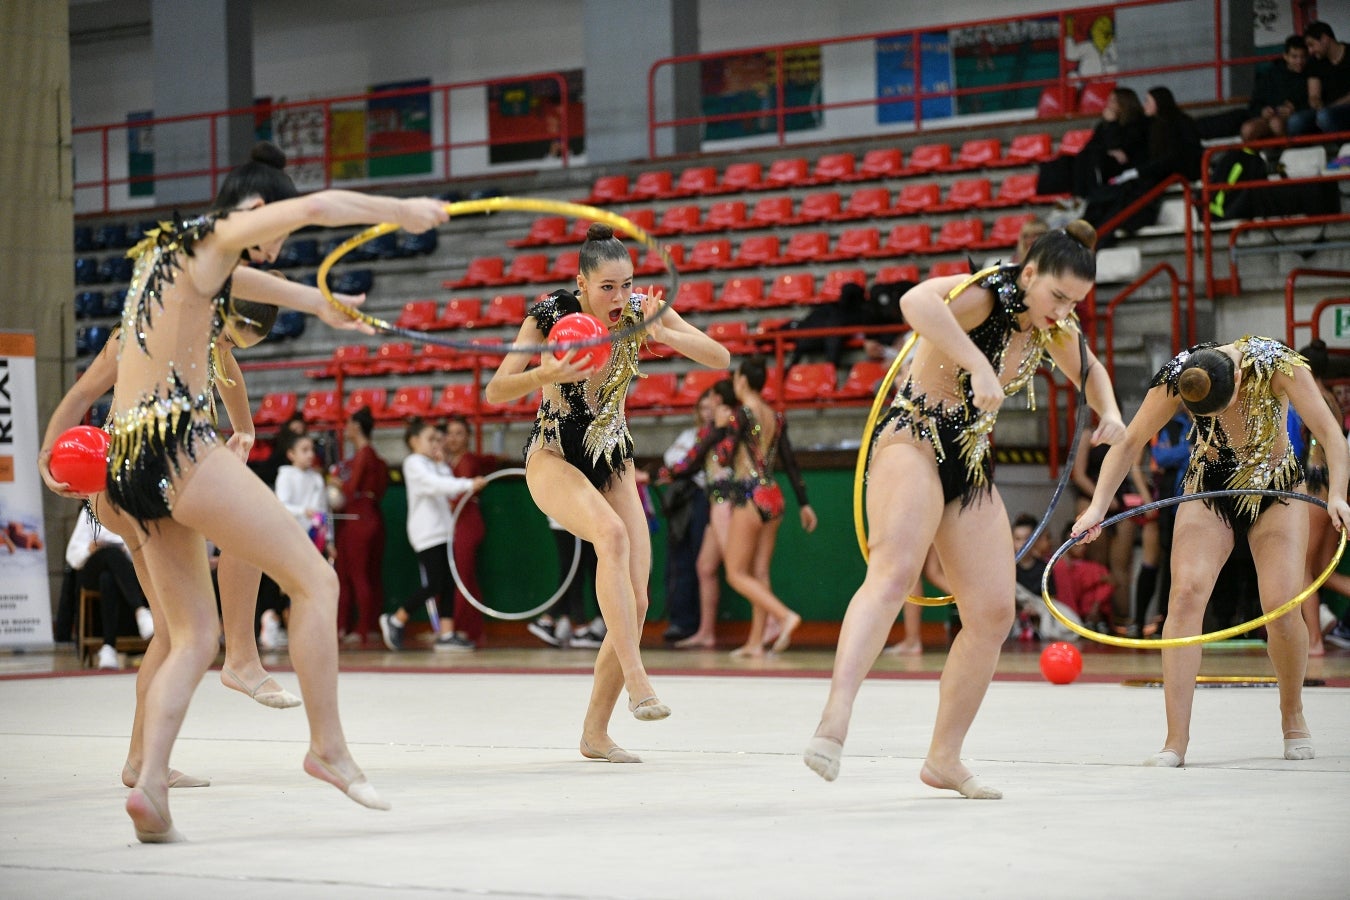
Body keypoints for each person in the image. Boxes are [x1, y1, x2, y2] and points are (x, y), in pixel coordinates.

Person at [46, 139, 449, 841]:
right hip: (176, 444)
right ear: (257, 210)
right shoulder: (222, 231)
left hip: (127, 457)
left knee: (192, 635)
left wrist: (320, 305)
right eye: (280, 228)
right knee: (317, 583)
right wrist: (405, 210)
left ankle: (149, 786)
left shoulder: (170, 255)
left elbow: (249, 287)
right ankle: (327, 750)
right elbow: (322, 204)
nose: (281, 241)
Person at [803, 221, 1126, 797]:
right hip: (915, 435)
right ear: (1029, 273)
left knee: (994, 613)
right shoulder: (991, 290)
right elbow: (915, 301)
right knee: (895, 570)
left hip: (969, 463)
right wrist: (976, 363)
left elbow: (1093, 371)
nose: (1063, 311)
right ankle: (836, 714)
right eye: (1056, 296)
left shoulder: (1054, 327)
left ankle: (944, 758)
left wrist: (1110, 414)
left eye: (1075, 302)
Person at [485, 223, 729, 763]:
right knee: (611, 537)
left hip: (612, 457)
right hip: (553, 454)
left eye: (627, 285)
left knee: (637, 602)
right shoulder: (549, 314)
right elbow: (496, 388)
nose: (620, 299)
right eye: (607, 288)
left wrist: (666, 334)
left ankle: (595, 734)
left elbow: (720, 359)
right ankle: (640, 681)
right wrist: (543, 372)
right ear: (581, 283)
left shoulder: (641, 310)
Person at [1072, 337, 1350, 766]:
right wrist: (1095, 508)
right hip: (1208, 487)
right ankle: (1175, 741)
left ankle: (1292, 713)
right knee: (1184, 595)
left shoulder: (1274, 364)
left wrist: (1338, 495)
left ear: (1238, 379)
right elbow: (1129, 443)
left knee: (1280, 605)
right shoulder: (1177, 376)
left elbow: (1331, 431)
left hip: (1275, 487)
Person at [713, 357, 817, 657]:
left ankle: (784, 616)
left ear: (742, 381)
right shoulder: (775, 415)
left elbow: (723, 457)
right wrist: (805, 503)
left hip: (750, 495)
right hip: (773, 495)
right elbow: (790, 461)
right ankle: (756, 642)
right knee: (759, 572)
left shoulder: (742, 413)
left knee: (735, 573)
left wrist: (721, 429)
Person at [378, 419, 486, 652]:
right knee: (435, 582)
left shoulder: (434, 464)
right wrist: (468, 484)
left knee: (447, 583)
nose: (437, 444)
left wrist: (443, 466)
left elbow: (444, 479)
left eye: (439, 439)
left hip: (444, 531)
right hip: (427, 532)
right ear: (414, 441)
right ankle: (397, 618)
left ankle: (446, 633)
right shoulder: (414, 463)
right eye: (431, 439)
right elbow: (435, 485)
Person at [656, 380, 739, 649]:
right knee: (705, 567)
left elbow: (691, 462)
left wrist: (667, 473)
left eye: (712, 404)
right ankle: (705, 631)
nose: (708, 411)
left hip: (723, 497)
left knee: (739, 571)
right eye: (704, 407)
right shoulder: (714, 431)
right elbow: (688, 460)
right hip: (718, 497)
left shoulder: (725, 430)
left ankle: (776, 618)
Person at [1288, 340, 1346, 657]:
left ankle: (1313, 641)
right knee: (1323, 567)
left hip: (1316, 485)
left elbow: (1306, 446)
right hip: (1327, 484)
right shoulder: (1331, 399)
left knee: (1302, 571)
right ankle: (1317, 633)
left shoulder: (1316, 400)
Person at [1083, 86, 1202, 238]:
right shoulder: (1152, 126)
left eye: (1147, 101)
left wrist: (1137, 172)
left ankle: (1102, 232)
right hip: (1151, 174)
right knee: (1109, 193)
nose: (1144, 105)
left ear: (1158, 103)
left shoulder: (1177, 124)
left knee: (1127, 193)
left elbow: (1171, 159)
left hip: (1170, 175)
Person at [262, 429, 334, 649]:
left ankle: (306, 629)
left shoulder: (316, 479)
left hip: (314, 540)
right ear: (291, 454)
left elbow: (324, 511)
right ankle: (273, 619)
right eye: (304, 450)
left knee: (312, 584)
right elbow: (282, 505)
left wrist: (329, 540)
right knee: (289, 585)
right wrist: (304, 511)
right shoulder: (286, 475)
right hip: (292, 539)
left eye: (311, 450)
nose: (310, 454)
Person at [440, 415, 503, 647]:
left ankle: (456, 629)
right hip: (459, 521)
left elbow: (461, 497)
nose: (453, 438)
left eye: (459, 433)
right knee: (465, 578)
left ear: (468, 437)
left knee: (461, 577)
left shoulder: (466, 460)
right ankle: (470, 629)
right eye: (450, 433)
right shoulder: (450, 461)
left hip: (467, 521)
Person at [65, 511, 154, 669]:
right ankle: (140, 611)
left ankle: (108, 648)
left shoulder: (132, 508)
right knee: (109, 554)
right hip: (92, 568)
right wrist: (90, 549)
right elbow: (73, 556)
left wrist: (128, 551)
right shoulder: (90, 511)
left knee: (108, 578)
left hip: (128, 571)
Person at [333, 406, 388, 646]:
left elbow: (350, 488)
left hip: (358, 517)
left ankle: (359, 629)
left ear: (356, 427)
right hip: (373, 516)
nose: (345, 429)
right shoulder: (373, 455)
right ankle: (369, 625)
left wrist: (333, 481)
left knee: (354, 575)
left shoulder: (363, 454)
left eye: (348, 425)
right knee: (369, 575)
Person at [1037, 87, 1147, 201]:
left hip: (1125, 167)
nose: (1108, 104)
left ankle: (1088, 196)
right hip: (1103, 161)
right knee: (1080, 156)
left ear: (1124, 103)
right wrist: (1109, 149)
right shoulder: (1103, 125)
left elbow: (1123, 148)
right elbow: (1091, 145)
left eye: (1113, 101)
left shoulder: (1136, 123)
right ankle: (1079, 198)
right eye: (1108, 100)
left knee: (1093, 157)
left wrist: (1112, 124)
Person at [528, 518, 602, 649]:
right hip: (567, 522)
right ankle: (578, 627)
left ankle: (558, 619)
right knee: (573, 574)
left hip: (576, 522)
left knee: (575, 572)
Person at [1240, 34, 1311, 144]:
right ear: (1285, 56)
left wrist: (1295, 108)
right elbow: (1255, 103)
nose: (1299, 61)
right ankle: (1252, 160)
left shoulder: (1312, 74)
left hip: (1295, 119)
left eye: (1303, 57)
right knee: (1247, 129)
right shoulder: (1270, 75)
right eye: (1294, 57)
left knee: (1276, 123)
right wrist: (1263, 111)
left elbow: (1316, 101)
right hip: (1268, 119)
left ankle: (1287, 157)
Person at [1288, 22, 1350, 137]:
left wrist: (1329, 108)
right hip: (1325, 111)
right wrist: (1316, 103)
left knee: (1325, 116)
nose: (1310, 51)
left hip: (1344, 110)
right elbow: (1314, 95)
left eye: (1312, 45)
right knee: (1295, 121)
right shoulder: (1315, 62)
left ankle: (1341, 151)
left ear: (1325, 39)